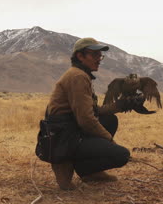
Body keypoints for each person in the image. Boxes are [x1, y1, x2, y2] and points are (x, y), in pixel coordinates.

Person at [35, 37, 142, 190]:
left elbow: (94, 111)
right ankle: (64, 163)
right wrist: (109, 140)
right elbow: (86, 120)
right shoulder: (78, 76)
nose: (99, 59)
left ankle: (89, 172)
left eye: (100, 55)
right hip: (64, 137)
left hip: (72, 130)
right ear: (80, 56)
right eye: (94, 55)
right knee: (121, 155)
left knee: (110, 119)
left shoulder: (80, 74)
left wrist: (121, 104)